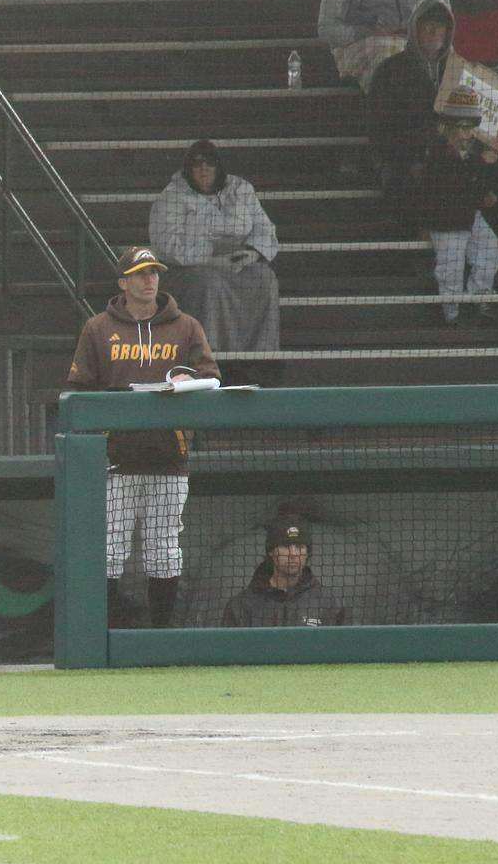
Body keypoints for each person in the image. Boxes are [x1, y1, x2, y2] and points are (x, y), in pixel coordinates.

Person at [65, 246, 221, 630]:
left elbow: (212, 376)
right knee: (110, 549)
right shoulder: (98, 328)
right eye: (140, 274)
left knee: (164, 549)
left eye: (153, 272)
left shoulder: (186, 326)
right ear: (123, 282)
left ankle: (161, 635)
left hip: (170, 457)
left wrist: (191, 380)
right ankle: (104, 635)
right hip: (116, 460)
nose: (149, 280)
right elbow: (79, 389)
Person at [412, 88, 498, 327]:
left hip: (469, 215)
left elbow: (470, 184)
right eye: (459, 127)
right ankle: (452, 315)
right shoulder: (436, 152)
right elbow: (449, 183)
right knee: (451, 268)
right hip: (445, 221)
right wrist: (481, 166)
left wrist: (483, 194)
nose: (464, 133)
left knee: (491, 250)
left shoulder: (469, 152)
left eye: (469, 127)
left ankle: (479, 297)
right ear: (446, 126)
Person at [147, 139, 280, 360]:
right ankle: (209, 354)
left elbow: (265, 228)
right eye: (197, 165)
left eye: (209, 164)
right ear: (188, 169)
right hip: (189, 267)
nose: (204, 169)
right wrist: (209, 257)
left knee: (264, 278)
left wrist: (252, 252)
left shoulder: (241, 188)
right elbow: (165, 245)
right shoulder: (171, 197)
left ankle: (260, 355)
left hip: (238, 261)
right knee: (210, 283)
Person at [369, 0, 455, 202]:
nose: (434, 32)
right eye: (428, 26)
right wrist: (410, 162)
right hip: (403, 159)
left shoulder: (457, 71)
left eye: (440, 26)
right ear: (415, 30)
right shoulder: (389, 70)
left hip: (449, 157)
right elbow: (380, 129)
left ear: (448, 32)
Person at [221, 517, 347, 628]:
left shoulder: (330, 604)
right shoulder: (241, 606)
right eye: (286, 547)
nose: (293, 554)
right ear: (271, 551)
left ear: (307, 553)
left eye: (299, 547)